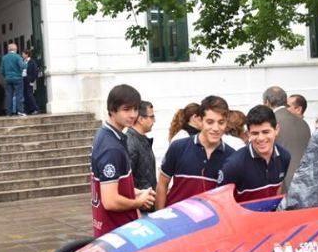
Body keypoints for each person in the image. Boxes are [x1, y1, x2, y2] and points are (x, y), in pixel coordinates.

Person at [90, 85, 155, 237]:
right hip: (117, 233)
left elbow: (112, 186)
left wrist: (136, 192)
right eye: (126, 110)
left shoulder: (107, 135)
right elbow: (111, 201)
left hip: (112, 229)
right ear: (112, 110)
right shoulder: (111, 147)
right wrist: (138, 203)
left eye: (135, 109)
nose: (133, 115)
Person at [156, 95, 235, 209]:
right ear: (200, 121)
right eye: (210, 122)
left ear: (226, 123)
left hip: (211, 223)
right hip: (175, 221)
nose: (216, 128)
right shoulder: (178, 147)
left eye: (221, 122)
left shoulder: (232, 157)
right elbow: (162, 184)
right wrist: (160, 218)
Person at [220, 105, 291, 202]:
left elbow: (278, 189)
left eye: (266, 132)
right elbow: (221, 201)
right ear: (248, 133)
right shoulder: (234, 165)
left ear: (276, 130)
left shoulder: (284, 157)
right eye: (255, 133)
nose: (261, 138)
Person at [263, 86, 310, 191]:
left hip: (282, 184)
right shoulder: (304, 123)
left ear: (267, 102)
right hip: (307, 179)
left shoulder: (270, 122)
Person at [126, 101, 157, 213]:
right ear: (140, 119)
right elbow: (127, 182)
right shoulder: (131, 143)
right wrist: (136, 207)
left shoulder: (142, 140)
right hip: (141, 209)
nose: (154, 120)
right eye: (152, 117)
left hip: (147, 205)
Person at [0, 43, 27, 116]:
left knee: (9, 96)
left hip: (8, 79)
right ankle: (20, 111)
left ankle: (8, 113)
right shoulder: (17, 57)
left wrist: (6, 76)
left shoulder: (4, 58)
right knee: (19, 95)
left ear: (8, 49)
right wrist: (26, 63)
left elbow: (2, 70)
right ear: (15, 49)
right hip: (18, 78)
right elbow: (22, 66)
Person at [22, 50, 40, 115]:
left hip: (28, 80)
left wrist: (31, 80)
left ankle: (36, 109)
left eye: (23, 54)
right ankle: (28, 110)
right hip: (23, 80)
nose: (22, 55)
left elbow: (35, 72)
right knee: (25, 95)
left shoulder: (32, 62)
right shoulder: (23, 61)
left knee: (30, 95)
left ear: (27, 54)